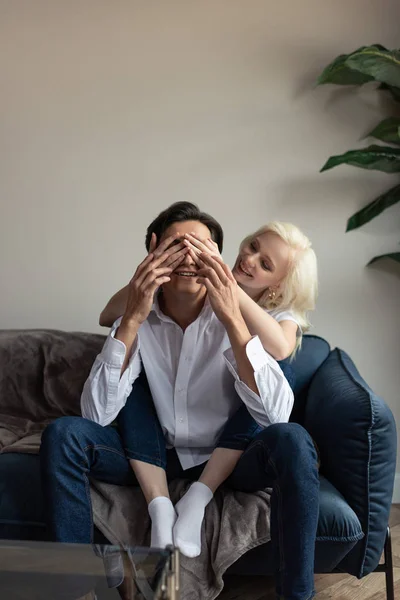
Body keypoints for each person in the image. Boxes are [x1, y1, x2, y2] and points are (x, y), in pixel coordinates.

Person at [40, 202, 319, 600]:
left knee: (293, 437)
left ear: (215, 258)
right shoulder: (138, 311)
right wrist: (133, 320)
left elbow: (275, 417)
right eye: (177, 245)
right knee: (64, 433)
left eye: (201, 247)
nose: (190, 256)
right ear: (154, 250)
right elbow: (96, 415)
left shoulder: (249, 314)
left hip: (231, 459)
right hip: (153, 452)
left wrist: (234, 324)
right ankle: (73, 591)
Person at [100, 212, 318, 559]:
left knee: (276, 371)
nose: (248, 260)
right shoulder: (198, 287)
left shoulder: (280, 313)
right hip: (175, 430)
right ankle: (161, 506)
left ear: (277, 285)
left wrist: (229, 294)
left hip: (239, 432)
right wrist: (157, 269)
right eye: (251, 246)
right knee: (137, 373)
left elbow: (279, 347)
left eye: (264, 264)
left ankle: (199, 496)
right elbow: (105, 316)